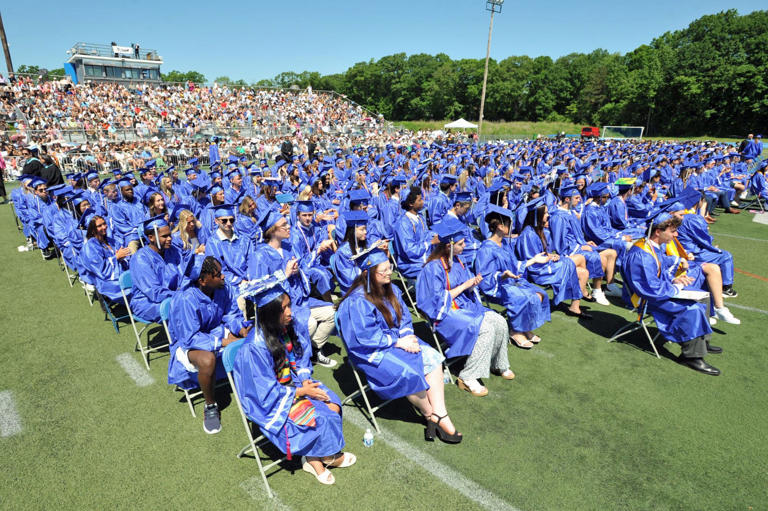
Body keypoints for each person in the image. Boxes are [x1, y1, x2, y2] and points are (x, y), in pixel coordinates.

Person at [231, 282, 355, 485]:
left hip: (292, 382)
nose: (290, 312)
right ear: (269, 313)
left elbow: (299, 356)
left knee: (332, 402)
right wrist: (302, 391)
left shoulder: (281, 328)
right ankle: (319, 460)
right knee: (318, 416)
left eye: (289, 305)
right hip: (269, 400)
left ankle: (317, 456)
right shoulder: (253, 349)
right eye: (284, 309)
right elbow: (262, 392)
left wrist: (305, 378)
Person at [337, 248, 462, 442]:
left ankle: (439, 414)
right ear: (367, 273)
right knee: (409, 372)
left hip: (397, 339)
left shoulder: (392, 289)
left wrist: (407, 338)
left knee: (432, 357)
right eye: (384, 270)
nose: (389, 273)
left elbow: (403, 318)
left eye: (390, 268)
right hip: (370, 350)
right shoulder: (356, 302)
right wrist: (398, 342)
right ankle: (429, 413)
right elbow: (364, 338)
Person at [416, 217, 514, 397]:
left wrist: (473, 283)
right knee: (485, 329)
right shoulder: (432, 268)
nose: (465, 245)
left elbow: (466, 285)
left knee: (499, 321)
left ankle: (498, 362)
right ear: (449, 246)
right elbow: (433, 302)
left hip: (466, 305)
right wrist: (463, 286)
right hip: (446, 313)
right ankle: (468, 376)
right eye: (461, 243)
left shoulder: (459, 261)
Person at [622, 213, 722, 375]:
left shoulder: (652, 246)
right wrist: (674, 288)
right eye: (673, 231)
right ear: (657, 232)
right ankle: (691, 356)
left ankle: (701, 341)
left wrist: (676, 280)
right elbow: (649, 288)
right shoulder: (641, 254)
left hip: (657, 291)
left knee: (702, 295)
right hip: (646, 299)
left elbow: (658, 271)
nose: (676, 235)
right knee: (693, 308)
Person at [167, 256, 253, 434]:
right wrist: (225, 342)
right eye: (217, 274)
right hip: (187, 344)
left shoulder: (222, 287)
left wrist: (241, 328)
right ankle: (210, 405)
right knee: (208, 360)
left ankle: (255, 388)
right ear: (202, 280)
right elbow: (190, 337)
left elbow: (231, 314)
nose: (223, 277)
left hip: (215, 331)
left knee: (253, 336)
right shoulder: (186, 299)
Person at [247, 210, 337, 368]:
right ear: (273, 231)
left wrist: (314, 254)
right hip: (281, 307)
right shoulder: (260, 255)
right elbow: (255, 288)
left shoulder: (288, 247)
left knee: (332, 313)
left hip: (300, 299)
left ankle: (315, 350)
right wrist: (284, 275)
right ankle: (295, 356)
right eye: (284, 225)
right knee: (309, 324)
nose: (289, 226)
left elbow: (303, 266)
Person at [476, 205, 551, 348]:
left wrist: (534, 260)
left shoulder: (504, 244)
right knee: (523, 297)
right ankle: (515, 331)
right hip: (497, 287)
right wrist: (501, 275)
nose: (512, 226)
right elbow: (484, 278)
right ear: (499, 226)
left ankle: (524, 327)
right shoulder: (486, 249)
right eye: (509, 224)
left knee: (539, 293)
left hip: (512, 281)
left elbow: (515, 264)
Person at [515, 199, 589, 318]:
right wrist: (548, 258)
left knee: (583, 272)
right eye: (545, 213)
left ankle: (571, 304)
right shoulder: (528, 234)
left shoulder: (539, 231)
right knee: (575, 267)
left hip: (545, 265)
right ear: (536, 215)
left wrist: (550, 256)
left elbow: (541, 253)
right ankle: (568, 303)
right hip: (538, 271)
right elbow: (532, 261)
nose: (548, 215)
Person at [128, 215, 188, 322]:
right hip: (147, 301)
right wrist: (180, 296)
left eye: (170, 235)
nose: (170, 239)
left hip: (172, 294)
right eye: (165, 236)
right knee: (183, 308)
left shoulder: (173, 250)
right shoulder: (140, 258)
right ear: (151, 237)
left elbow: (184, 275)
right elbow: (154, 292)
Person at [80, 215, 131, 302]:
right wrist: (117, 257)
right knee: (131, 285)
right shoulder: (90, 246)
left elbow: (124, 253)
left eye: (104, 224)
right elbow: (100, 269)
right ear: (93, 230)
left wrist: (123, 257)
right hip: (106, 279)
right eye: (99, 226)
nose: (104, 227)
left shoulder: (110, 240)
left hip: (122, 271)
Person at [393, 186, 436, 279]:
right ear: (411, 204)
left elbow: (426, 234)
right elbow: (409, 250)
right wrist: (431, 242)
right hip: (410, 263)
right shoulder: (403, 223)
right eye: (420, 200)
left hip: (422, 256)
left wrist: (437, 235)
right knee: (436, 268)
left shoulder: (419, 217)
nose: (423, 202)